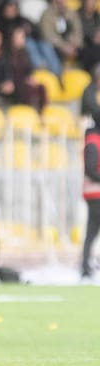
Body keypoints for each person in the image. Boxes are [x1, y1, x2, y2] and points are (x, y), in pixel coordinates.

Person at [82, 109, 100, 280]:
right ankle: (86, 267)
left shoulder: (94, 141)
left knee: (92, 232)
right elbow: (90, 169)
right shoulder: (93, 142)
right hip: (95, 194)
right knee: (92, 232)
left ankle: (86, 267)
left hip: (94, 193)